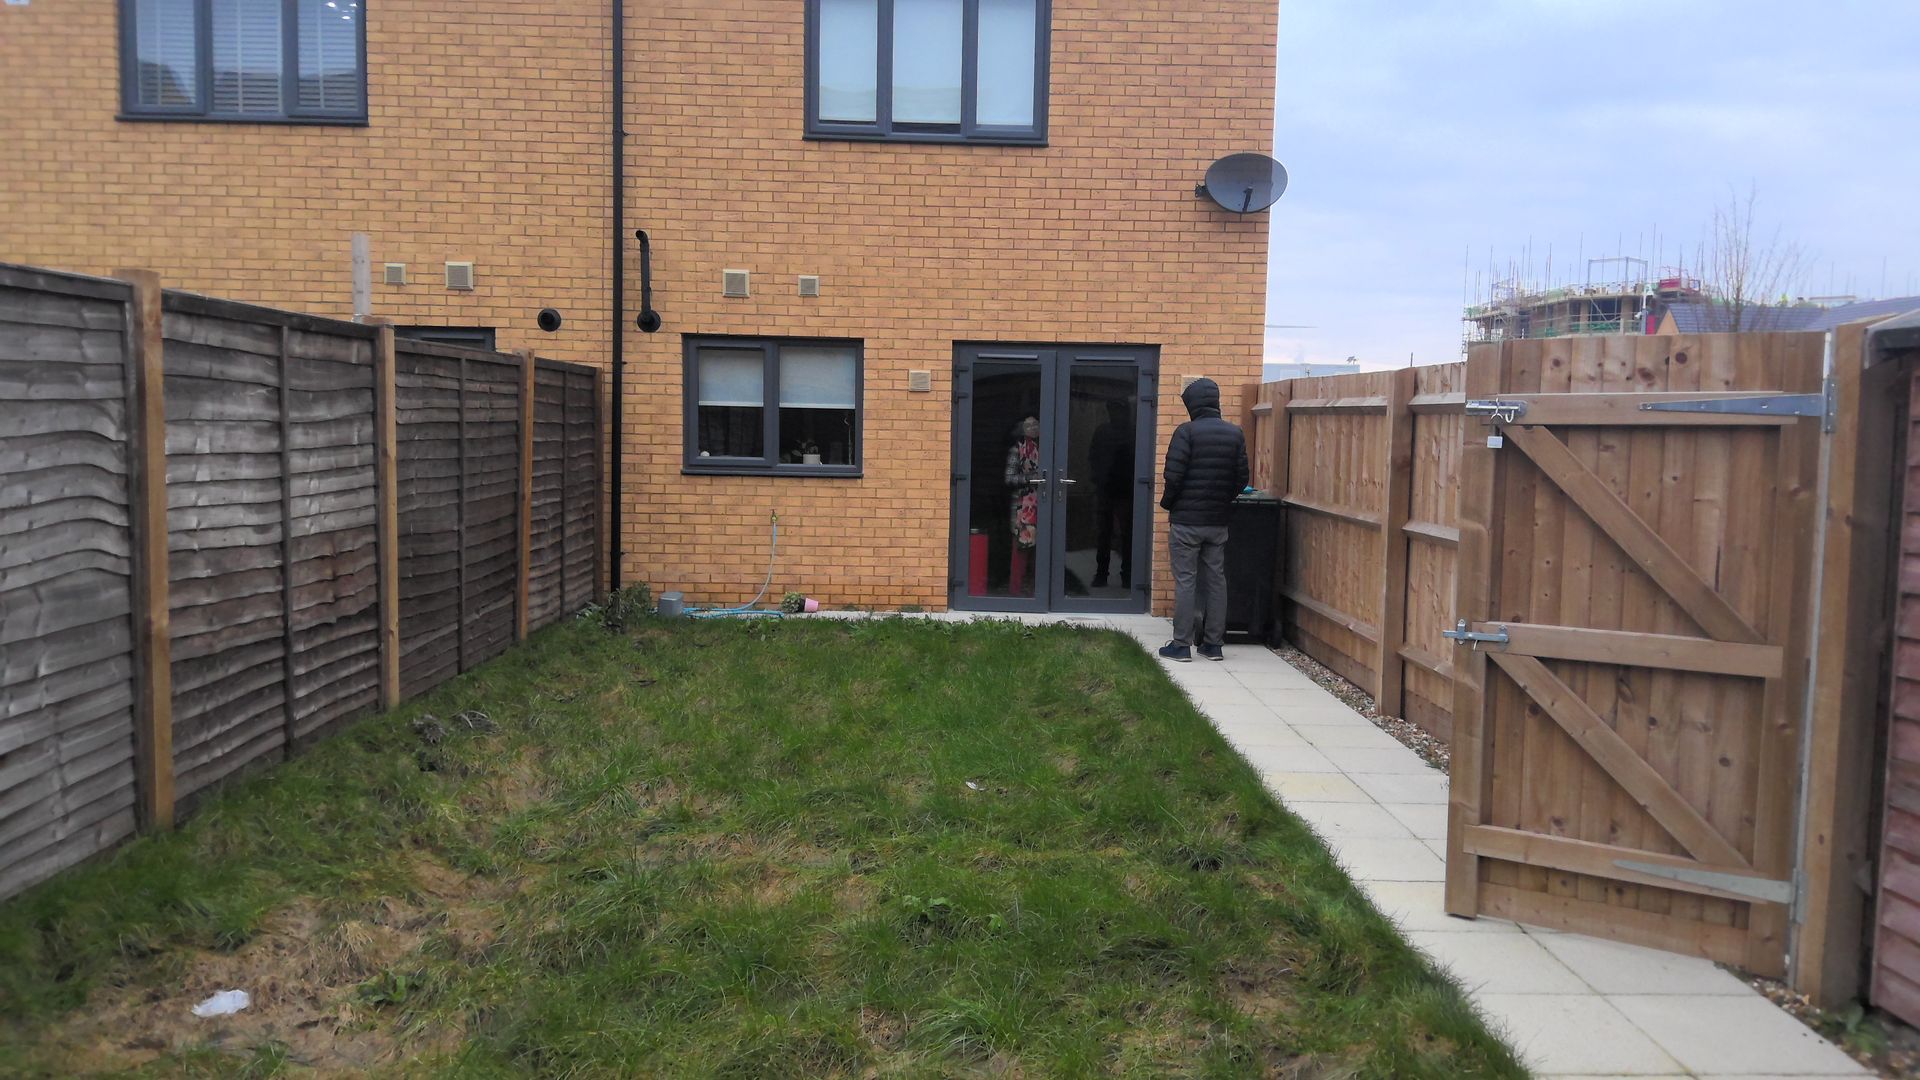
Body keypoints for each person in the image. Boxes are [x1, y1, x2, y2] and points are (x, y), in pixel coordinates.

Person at [1157, 378, 1248, 662]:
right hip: (1217, 521)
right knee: (1216, 580)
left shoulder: (1186, 432)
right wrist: (1222, 500)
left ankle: (1181, 645)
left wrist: (1168, 503)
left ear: (1193, 404)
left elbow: (1173, 476)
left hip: (1186, 521)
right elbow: (1241, 478)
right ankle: (1213, 645)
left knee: (1186, 580)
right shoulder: (1235, 434)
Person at [1088, 399, 1134, 589]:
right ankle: (1104, 574)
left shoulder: (1131, 432)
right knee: (1105, 534)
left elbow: (1093, 457)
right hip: (1108, 489)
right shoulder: (1103, 432)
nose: (1116, 414)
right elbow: (1093, 457)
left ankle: (1126, 576)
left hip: (1125, 490)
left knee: (1125, 535)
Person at [1003, 415, 1042, 594]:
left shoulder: (1045, 447)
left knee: (1040, 550)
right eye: (1029, 425)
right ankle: (1016, 591)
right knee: (1020, 552)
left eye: (1036, 424)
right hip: (1022, 507)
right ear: (1021, 428)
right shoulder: (1016, 450)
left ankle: (1038, 590)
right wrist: (1031, 478)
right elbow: (1009, 478)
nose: (1033, 427)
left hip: (1043, 503)